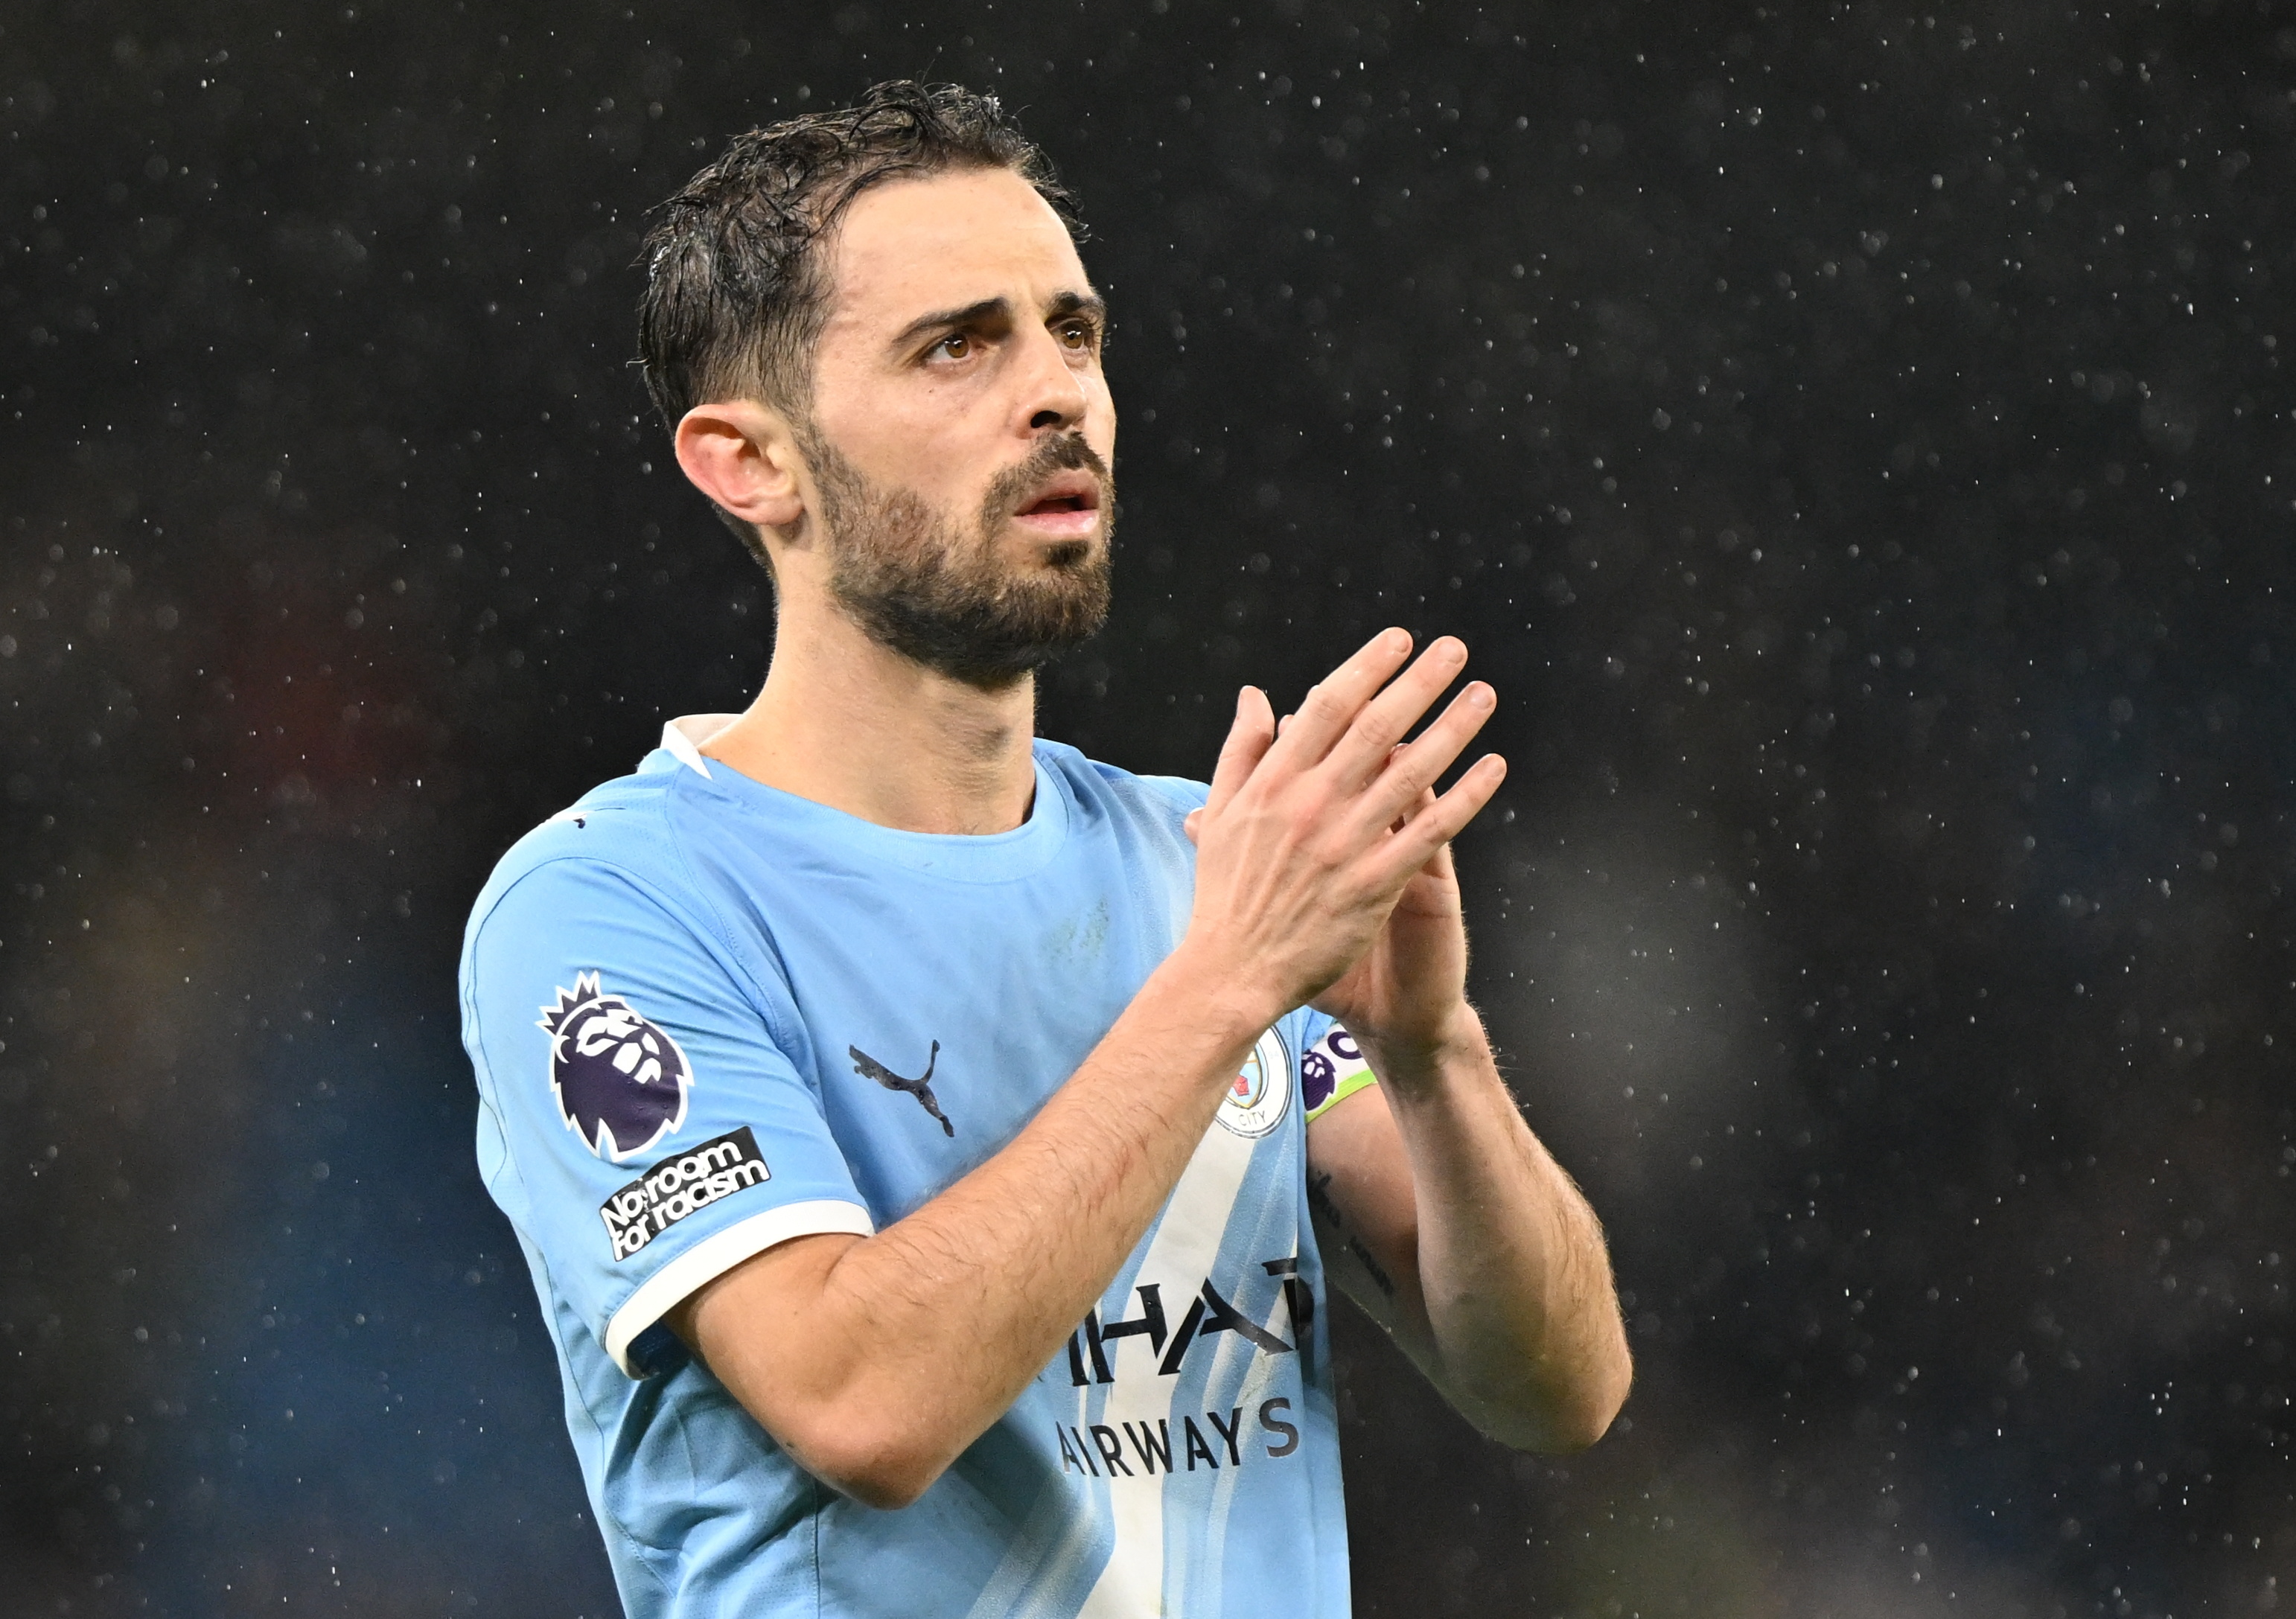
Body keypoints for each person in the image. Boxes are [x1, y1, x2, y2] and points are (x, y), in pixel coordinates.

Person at [457, 80, 1630, 1619]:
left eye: (1071, 332)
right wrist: (1223, 987)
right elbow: (862, 1403)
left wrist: (1433, 1050)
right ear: (751, 463)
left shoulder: (1199, 858)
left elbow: (1561, 1387)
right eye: (958, 345)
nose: (1056, 392)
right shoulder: (613, 906)